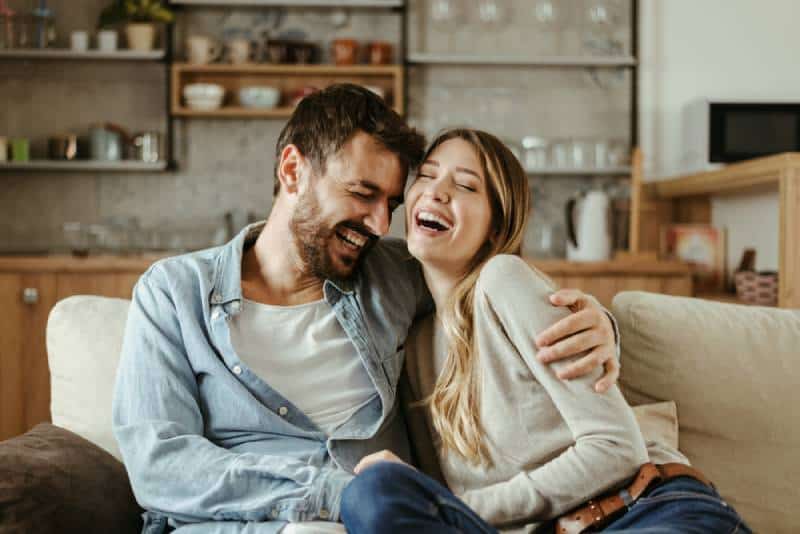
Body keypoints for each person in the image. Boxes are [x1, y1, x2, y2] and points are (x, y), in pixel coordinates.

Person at [113, 85, 620, 534]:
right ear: (293, 171)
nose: (379, 223)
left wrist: (600, 324)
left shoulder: (394, 275)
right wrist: (335, 495)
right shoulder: (175, 293)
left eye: (392, 205)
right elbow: (160, 464)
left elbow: (491, 288)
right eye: (362, 193)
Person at [341, 128, 752, 534]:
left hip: (647, 511)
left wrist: (456, 506)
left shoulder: (502, 281)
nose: (437, 191)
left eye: (466, 186)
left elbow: (617, 449)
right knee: (372, 493)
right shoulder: (412, 347)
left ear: (497, 228)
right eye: (427, 175)